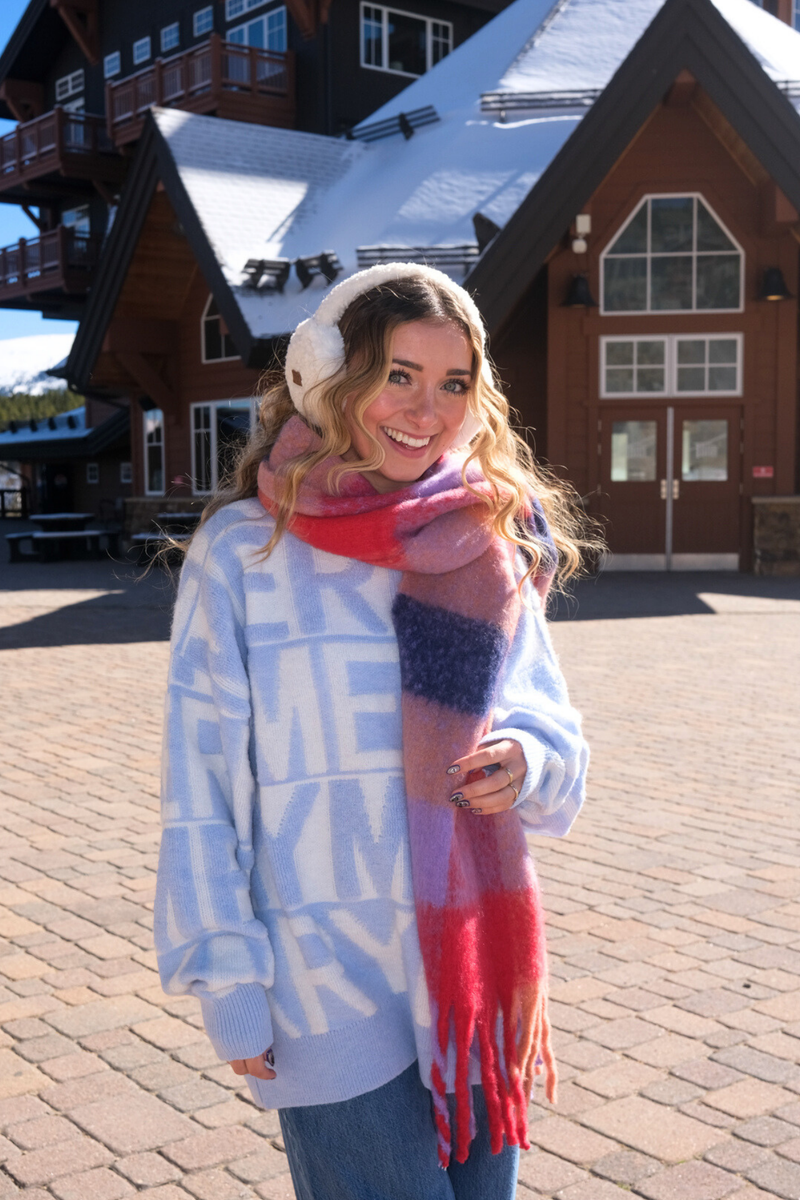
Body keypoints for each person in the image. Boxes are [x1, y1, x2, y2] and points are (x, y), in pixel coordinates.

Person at [154, 263, 591, 1200]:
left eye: (453, 383)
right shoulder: (243, 550)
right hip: (320, 980)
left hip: (468, 972)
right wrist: (227, 978)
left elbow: (547, 717)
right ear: (328, 373)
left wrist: (532, 759)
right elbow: (200, 786)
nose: (425, 408)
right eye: (398, 374)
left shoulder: (488, 539)